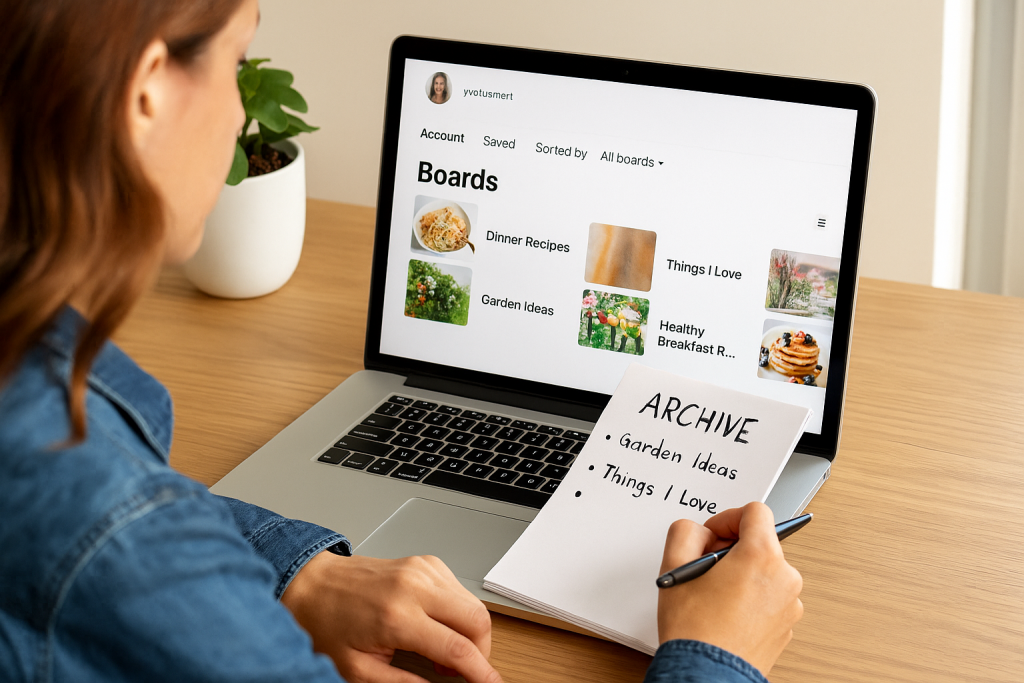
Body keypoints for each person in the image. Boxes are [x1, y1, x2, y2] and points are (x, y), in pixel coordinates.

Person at [0, 1, 804, 682]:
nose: (245, 113)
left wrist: (292, 571)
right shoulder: (114, 523)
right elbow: (115, 535)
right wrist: (718, 652)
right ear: (146, 93)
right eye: (237, 60)